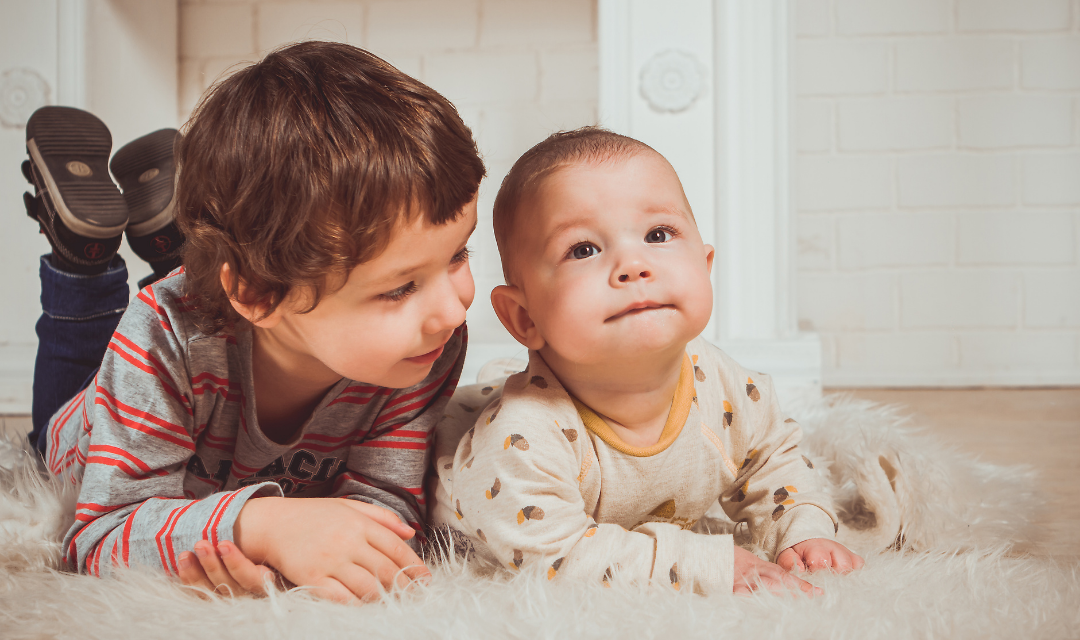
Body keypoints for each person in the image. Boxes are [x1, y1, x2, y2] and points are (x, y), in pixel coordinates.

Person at [23, 41, 485, 603]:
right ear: (259, 293)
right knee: (54, 418)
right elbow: (97, 539)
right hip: (89, 428)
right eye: (398, 288)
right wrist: (258, 526)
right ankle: (83, 257)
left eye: (459, 255)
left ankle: (182, 239)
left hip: (228, 315)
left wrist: (325, 548)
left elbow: (387, 504)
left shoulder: (422, 348)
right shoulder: (161, 337)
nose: (455, 308)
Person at [430, 127, 862, 596]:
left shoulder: (723, 385)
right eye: (584, 249)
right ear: (523, 316)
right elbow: (556, 558)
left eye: (658, 234)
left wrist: (804, 528)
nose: (633, 265)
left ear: (704, 263)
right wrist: (705, 565)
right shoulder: (521, 438)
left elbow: (773, 462)